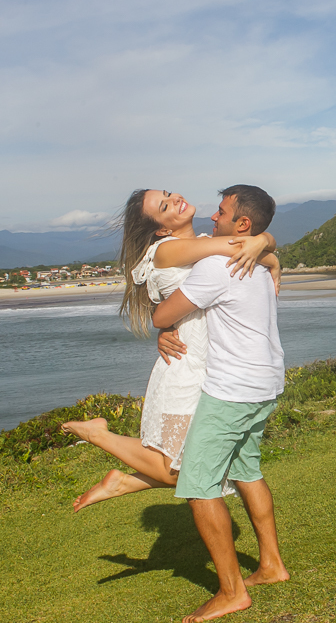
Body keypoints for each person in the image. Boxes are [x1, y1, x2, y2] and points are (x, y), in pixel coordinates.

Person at [61, 187, 280, 511]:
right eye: (165, 206)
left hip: (212, 365)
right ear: (162, 228)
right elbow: (242, 243)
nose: (175, 198)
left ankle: (122, 481)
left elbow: (241, 244)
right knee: (183, 471)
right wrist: (267, 245)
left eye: (168, 193)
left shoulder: (203, 243)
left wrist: (266, 248)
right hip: (185, 365)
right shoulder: (167, 250)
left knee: (200, 469)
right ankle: (101, 437)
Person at [150, 184, 288, 623]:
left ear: (241, 225)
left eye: (222, 212)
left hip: (232, 389)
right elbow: (263, 253)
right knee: (247, 470)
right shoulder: (257, 265)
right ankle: (271, 565)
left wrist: (162, 326)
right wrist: (267, 246)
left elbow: (161, 316)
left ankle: (231, 592)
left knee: (196, 485)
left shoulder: (216, 265)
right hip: (267, 381)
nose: (213, 217)